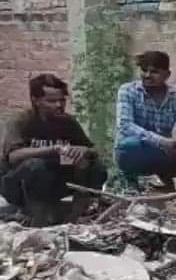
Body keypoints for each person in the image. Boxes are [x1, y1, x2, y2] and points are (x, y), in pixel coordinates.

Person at [0, 74, 107, 226]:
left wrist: (84, 151)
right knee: (35, 166)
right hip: (18, 185)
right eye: (51, 101)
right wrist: (53, 149)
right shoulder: (21, 121)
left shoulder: (67, 121)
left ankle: (76, 219)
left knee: (96, 167)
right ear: (36, 100)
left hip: (53, 181)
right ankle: (37, 219)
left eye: (62, 100)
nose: (59, 105)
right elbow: (14, 156)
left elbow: (93, 150)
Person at [114, 50, 176, 190]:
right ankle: (130, 178)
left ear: (167, 75)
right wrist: (161, 142)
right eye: (144, 70)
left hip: (165, 152)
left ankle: (165, 174)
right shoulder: (128, 90)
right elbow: (125, 125)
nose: (147, 76)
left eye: (154, 72)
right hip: (136, 149)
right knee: (128, 144)